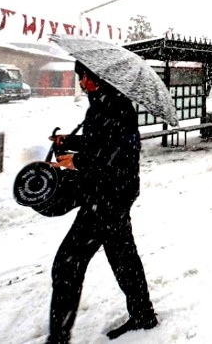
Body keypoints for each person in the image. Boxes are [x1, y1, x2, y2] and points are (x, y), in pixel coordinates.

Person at [45, 61, 158, 343]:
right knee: (123, 256)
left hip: (109, 195)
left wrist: (78, 161)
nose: (81, 84)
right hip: (108, 193)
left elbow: (121, 155)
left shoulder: (118, 108)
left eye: (83, 77)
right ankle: (143, 314)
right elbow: (100, 142)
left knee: (67, 264)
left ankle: (58, 338)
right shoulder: (100, 105)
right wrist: (69, 142)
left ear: (96, 76)